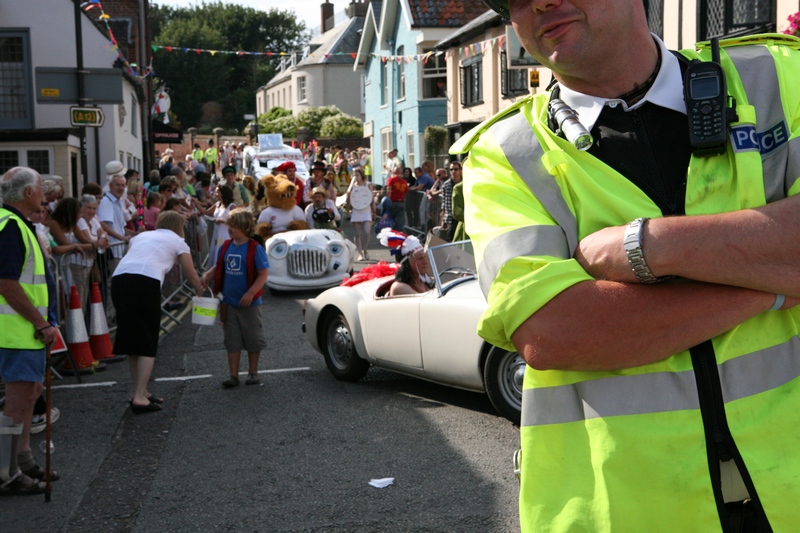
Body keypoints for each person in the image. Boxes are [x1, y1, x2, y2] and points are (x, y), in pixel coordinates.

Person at [453, 0, 800, 530]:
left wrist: (647, 246)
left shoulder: (779, 78)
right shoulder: (505, 155)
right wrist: (777, 279)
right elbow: (555, 331)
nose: (538, 3)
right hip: (627, 512)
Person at [0, 167, 59, 495]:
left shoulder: (17, 225)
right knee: (18, 402)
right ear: (27, 194)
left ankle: (21, 460)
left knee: (31, 393)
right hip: (17, 331)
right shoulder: (10, 227)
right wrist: (41, 323)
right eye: (39, 188)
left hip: (24, 331)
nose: (44, 192)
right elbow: (6, 284)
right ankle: (5, 472)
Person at [111, 211, 204, 413]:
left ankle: (140, 391)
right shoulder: (178, 241)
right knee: (147, 340)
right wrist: (200, 289)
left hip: (119, 279)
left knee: (132, 339)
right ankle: (139, 396)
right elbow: (190, 272)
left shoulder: (141, 236)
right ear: (179, 226)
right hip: (144, 282)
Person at [200, 209, 268, 388]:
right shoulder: (226, 245)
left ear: (244, 227)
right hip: (228, 303)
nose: (229, 228)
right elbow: (220, 264)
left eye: (233, 225)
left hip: (250, 305)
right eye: (229, 225)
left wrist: (251, 293)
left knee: (253, 339)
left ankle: (253, 373)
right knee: (232, 340)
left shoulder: (255, 248)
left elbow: (263, 274)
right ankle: (233, 376)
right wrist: (208, 274)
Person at [377, 229, 432, 296]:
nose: (425, 262)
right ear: (407, 262)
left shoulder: (428, 280)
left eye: (425, 257)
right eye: (420, 258)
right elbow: (425, 303)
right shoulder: (399, 287)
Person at [346, 168, 375, 261]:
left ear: (362, 175)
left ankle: (365, 249)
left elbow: (371, 199)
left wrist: (374, 211)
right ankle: (359, 253)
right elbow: (349, 201)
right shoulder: (352, 187)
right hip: (356, 211)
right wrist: (347, 209)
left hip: (366, 211)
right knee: (357, 234)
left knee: (367, 232)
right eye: (354, 175)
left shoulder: (368, 185)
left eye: (357, 175)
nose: (356, 177)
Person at [385, 166, 408, 231]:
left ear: (394, 171)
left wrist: (387, 203)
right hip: (401, 203)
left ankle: (391, 235)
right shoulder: (404, 182)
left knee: (391, 221)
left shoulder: (390, 180)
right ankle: (398, 236)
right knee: (400, 223)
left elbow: (388, 191)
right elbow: (405, 192)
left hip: (393, 202)